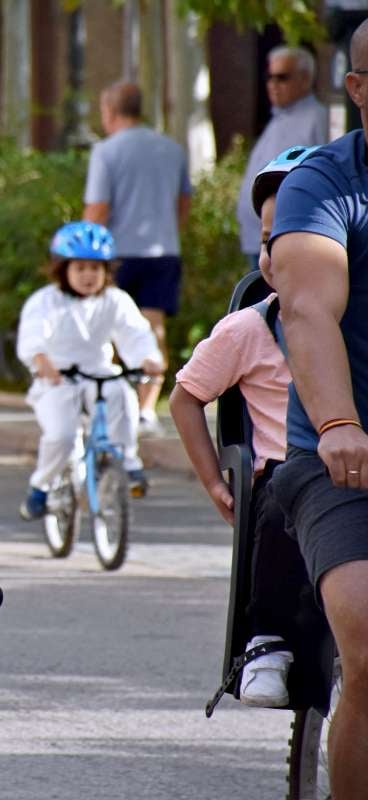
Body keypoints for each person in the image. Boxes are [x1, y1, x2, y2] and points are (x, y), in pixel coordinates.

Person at [169, 146, 320, 707]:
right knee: (287, 487)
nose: (275, 254)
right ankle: (266, 640)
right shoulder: (247, 330)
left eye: (296, 236)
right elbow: (184, 400)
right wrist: (213, 479)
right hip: (286, 480)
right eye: (266, 241)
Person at [268, 20, 368, 797]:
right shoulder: (325, 185)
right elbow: (305, 307)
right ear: (359, 89)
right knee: (367, 643)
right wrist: (337, 422)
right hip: (345, 465)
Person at [15, 221, 164, 520]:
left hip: (99, 372)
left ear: (106, 272)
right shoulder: (46, 301)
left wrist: (147, 358)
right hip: (58, 378)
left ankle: (129, 462)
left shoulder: (115, 301)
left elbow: (135, 333)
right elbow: (33, 335)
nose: (88, 276)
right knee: (62, 436)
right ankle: (40, 486)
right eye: (80, 268)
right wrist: (41, 360)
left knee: (123, 398)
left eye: (95, 269)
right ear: (62, 269)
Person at [83, 82, 191, 436]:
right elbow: (183, 204)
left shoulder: (106, 151)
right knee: (152, 327)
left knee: (106, 329)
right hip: (162, 250)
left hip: (116, 254)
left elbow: (98, 208)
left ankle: (110, 408)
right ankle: (146, 409)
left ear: (110, 111)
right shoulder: (171, 149)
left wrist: (82, 253)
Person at [236, 47, 329, 272]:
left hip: (285, 239)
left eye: (282, 77)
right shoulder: (278, 118)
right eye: (269, 77)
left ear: (305, 79)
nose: (273, 84)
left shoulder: (316, 118)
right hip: (259, 239)